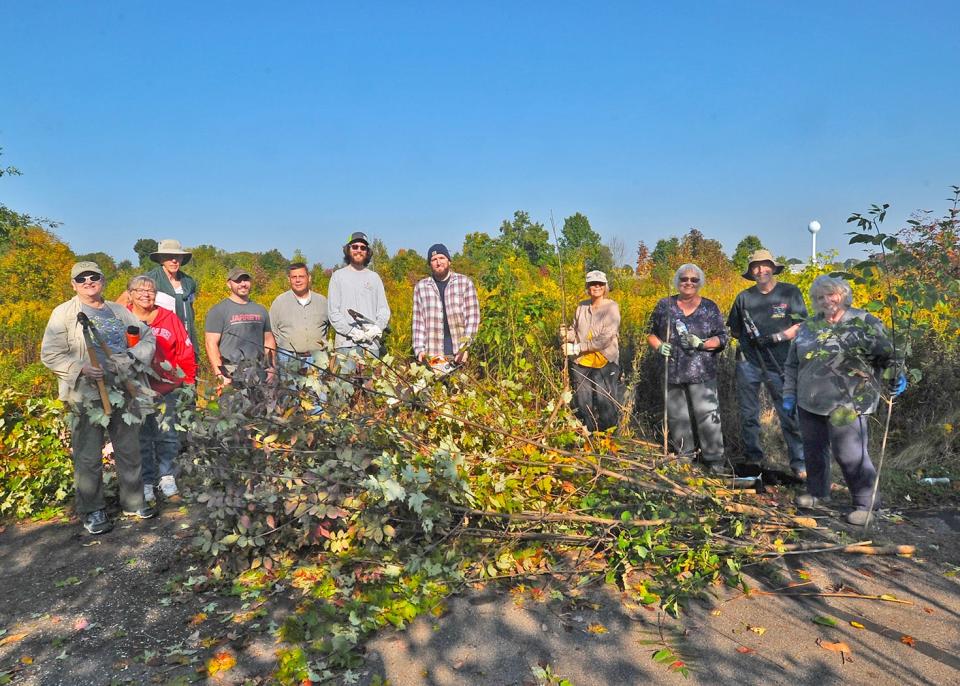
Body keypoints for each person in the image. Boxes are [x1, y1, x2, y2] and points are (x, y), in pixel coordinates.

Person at [41, 261, 157, 534]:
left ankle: (133, 501)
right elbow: (50, 353)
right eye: (82, 279)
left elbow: (148, 336)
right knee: (87, 454)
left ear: (103, 281)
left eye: (94, 277)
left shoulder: (118, 312)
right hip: (86, 393)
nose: (89, 282)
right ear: (74, 284)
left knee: (129, 449)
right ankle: (92, 509)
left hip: (122, 389)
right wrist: (79, 367)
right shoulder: (64, 314)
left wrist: (130, 357)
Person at [783, 276, 906, 525]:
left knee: (850, 454)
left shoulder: (863, 322)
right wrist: (789, 394)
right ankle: (818, 493)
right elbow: (792, 364)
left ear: (843, 295)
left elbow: (889, 356)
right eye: (820, 297)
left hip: (849, 402)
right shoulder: (808, 327)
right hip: (809, 402)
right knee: (814, 451)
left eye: (832, 295)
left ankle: (866, 503)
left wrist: (897, 375)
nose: (826, 300)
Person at [727, 249, 807, 478]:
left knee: (789, 414)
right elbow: (734, 330)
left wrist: (775, 338)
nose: (760, 270)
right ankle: (753, 459)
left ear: (773, 267)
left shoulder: (790, 293)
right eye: (755, 266)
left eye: (764, 265)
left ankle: (800, 464)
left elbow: (801, 325)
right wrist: (750, 341)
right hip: (749, 364)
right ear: (751, 271)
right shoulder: (744, 298)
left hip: (781, 363)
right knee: (749, 414)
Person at [647, 264, 730, 474]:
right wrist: (659, 346)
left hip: (702, 371)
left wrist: (701, 344)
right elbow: (650, 333)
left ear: (699, 282)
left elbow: (722, 338)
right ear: (678, 281)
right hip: (672, 370)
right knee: (677, 416)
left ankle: (714, 459)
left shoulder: (709, 307)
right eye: (684, 279)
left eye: (694, 280)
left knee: (707, 415)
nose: (689, 283)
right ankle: (685, 457)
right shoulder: (664, 305)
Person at [125, 275, 197, 502]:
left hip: (166, 386)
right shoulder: (122, 318)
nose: (145, 295)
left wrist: (188, 380)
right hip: (136, 388)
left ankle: (167, 476)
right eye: (139, 290)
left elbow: (184, 350)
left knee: (168, 434)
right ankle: (146, 481)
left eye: (150, 291)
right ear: (130, 294)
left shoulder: (169, 318)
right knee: (142, 437)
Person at [561, 271, 622, 432]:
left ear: (605, 287)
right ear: (587, 287)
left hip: (605, 362)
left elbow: (605, 338)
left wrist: (576, 347)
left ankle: (609, 439)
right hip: (581, 362)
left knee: (605, 401)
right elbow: (575, 330)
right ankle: (588, 435)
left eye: (600, 283)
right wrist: (566, 335)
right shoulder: (581, 306)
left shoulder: (611, 307)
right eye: (592, 283)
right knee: (582, 401)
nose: (596, 286)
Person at [118, 239, 199, 360]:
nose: (174, 260)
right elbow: (122, 304)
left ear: (182, 259)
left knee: (187, 368)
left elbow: (190, 307)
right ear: (161, 259)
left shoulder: (189, 282)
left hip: (186, 335)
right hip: (159, 338)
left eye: (177, 256)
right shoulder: (148, 280)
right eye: (169, 256)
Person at [412, 243, 480, 369]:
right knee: (436, 389)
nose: (438, 262)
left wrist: (464, 347)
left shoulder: (464, 283)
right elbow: (418, 322)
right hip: (433, 354)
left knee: (460, 388)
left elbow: (472, 319)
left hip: (458, 353)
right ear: (430, 264)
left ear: (449, 260)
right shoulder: (421, 287)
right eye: (433, 260)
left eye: (441, 258)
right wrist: (419, 350)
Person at [327, 232, 391, 366]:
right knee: (345, 385)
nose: (359, 250)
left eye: (363, 248)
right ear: (348, 249)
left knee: (370, 385)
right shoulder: (338, 277)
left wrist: (376, 329)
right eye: (355, 247)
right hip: (345, 346)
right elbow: (333, 312)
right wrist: (351, 331)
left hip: (371, 345)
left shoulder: (374, 278)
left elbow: (383, 310)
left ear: (367, 252)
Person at [204, 267, 276, 385]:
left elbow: (268, 340)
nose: (243, 284)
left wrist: (271, 367)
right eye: (238, 281)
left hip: (259, 372)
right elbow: (210, 343)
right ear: (229, 284)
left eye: (246, 280)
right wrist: (220, 374)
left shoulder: (261, 310)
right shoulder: (218, 310)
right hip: (231, 372)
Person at [270, 262, 329, 372]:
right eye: (294, 277)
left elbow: (328, 328)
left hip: (317, 359)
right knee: (289, 389)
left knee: (318, 389)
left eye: (301, 276)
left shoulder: (322, 301)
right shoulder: (279, 302)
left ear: (309, 277)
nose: (298, 280)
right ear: (289, 279)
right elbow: (273, 332)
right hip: (288, 358)